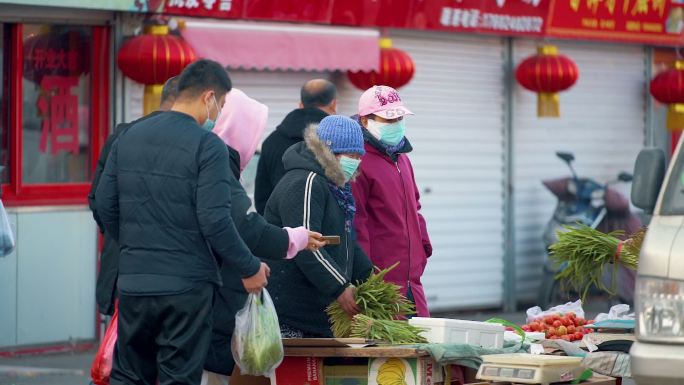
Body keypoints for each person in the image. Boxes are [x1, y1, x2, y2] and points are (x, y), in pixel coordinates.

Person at [95, 59, 269, 385]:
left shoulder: (128, 136)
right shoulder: (209, 146)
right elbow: (215, 220)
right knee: (178, 377)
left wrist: (135, 244)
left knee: (129, 375)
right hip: (187, 289)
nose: (218, 112)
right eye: (221, 103)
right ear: (208, 97)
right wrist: (249, 266)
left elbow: (105, 206)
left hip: (134, 284)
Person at [202, 88, 325, 384]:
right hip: (209, 299)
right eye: (252, 133)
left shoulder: (205, 161)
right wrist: (292, 239)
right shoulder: (216, 167)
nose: (255, 143)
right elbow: (244, 227)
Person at [264, 115, 373, 338]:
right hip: (294, 314)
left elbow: (344, 241)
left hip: (317, 313)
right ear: (329, 152)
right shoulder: (305, 182)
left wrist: (370, 277)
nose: (356, 162)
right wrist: (340, 287)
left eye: (358, 156)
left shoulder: (336, 187)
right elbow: (307, 245)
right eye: (351, 155)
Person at [88, 75, 179, 316]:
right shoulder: (189, 144)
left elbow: (98, 200)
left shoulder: (122, 135)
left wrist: (120, 236)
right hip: (167, 278)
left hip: (120, 267)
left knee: (119, 347)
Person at [351, 85, 433, 317]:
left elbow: (415, 207)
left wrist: (423, 244)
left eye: (399, 117)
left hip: (412, 280)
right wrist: (365, 275)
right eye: (389, 119)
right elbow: (358, 222)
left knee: (420, 347)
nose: (396, 123)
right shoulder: (358, 161)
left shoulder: (402, 158)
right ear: (365, 121)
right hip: (381, 283)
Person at [254, 79, 337, 214]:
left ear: (300, 104)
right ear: (333, 104)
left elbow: (262, 196)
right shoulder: (338, 141)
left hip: (280, 229)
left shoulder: (272, 141)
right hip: (326, 231)